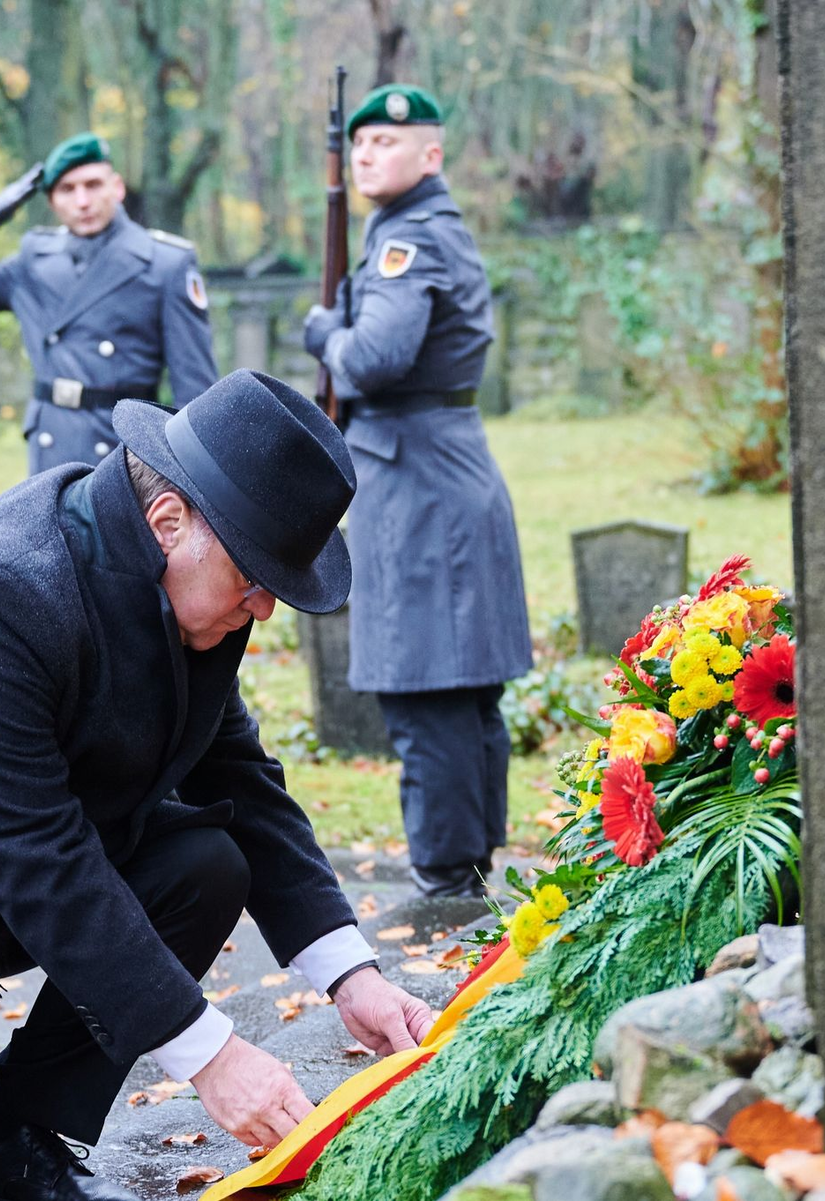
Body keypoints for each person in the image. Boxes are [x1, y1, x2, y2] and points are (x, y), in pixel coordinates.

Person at [0, 369, 433, 1201]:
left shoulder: (184, 588)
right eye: (256, 579)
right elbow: (36, 857)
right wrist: (212, 1055)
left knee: (206, 863)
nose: (265, 609)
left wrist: (354, 977)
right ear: (169, 520)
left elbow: (241, 776)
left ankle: (19, 1137)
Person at [303, 85, 534, 898]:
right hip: (438, 468)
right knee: (459, 689)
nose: (369, 154)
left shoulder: (411, 239)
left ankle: (446, 884)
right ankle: (465, 870)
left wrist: (324, 331)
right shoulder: (417, 230)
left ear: (431, 155)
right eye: (361, 143)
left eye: (388, 143)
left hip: (419, 480)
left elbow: (374, 359)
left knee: (428, 686)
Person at [0, 131, 218, 475]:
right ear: (51, 201)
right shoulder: (33, 261)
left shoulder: (165, 263)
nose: (83, 201)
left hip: (124, 453)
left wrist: (184, 479)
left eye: (93, 185)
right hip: (50, 449)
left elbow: (196, 391)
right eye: (67, 189)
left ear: (117, 188)